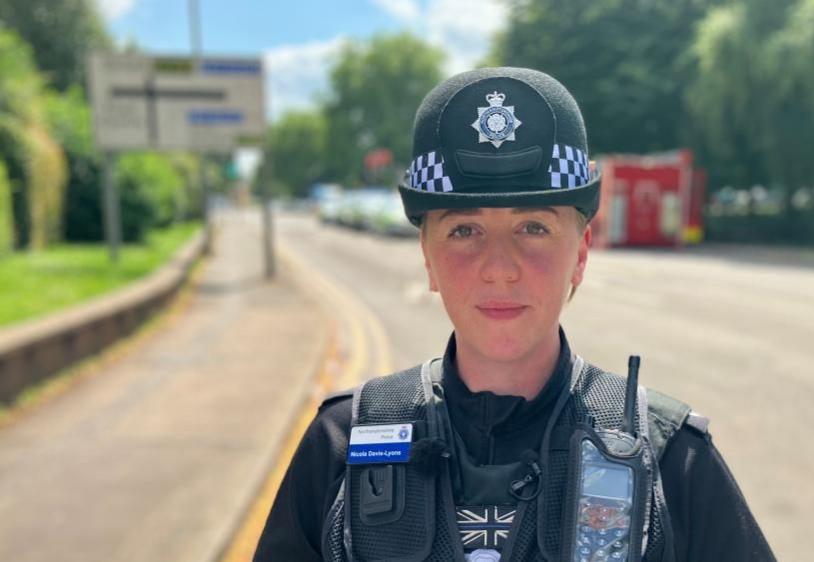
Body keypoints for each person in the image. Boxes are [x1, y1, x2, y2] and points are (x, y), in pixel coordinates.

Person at [254, 67, 776, 562]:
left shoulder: (669, 461)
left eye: (533, 228)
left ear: (581, 254)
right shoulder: (339, 446)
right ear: (427, 257)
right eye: (464, 230)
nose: (499, 269)